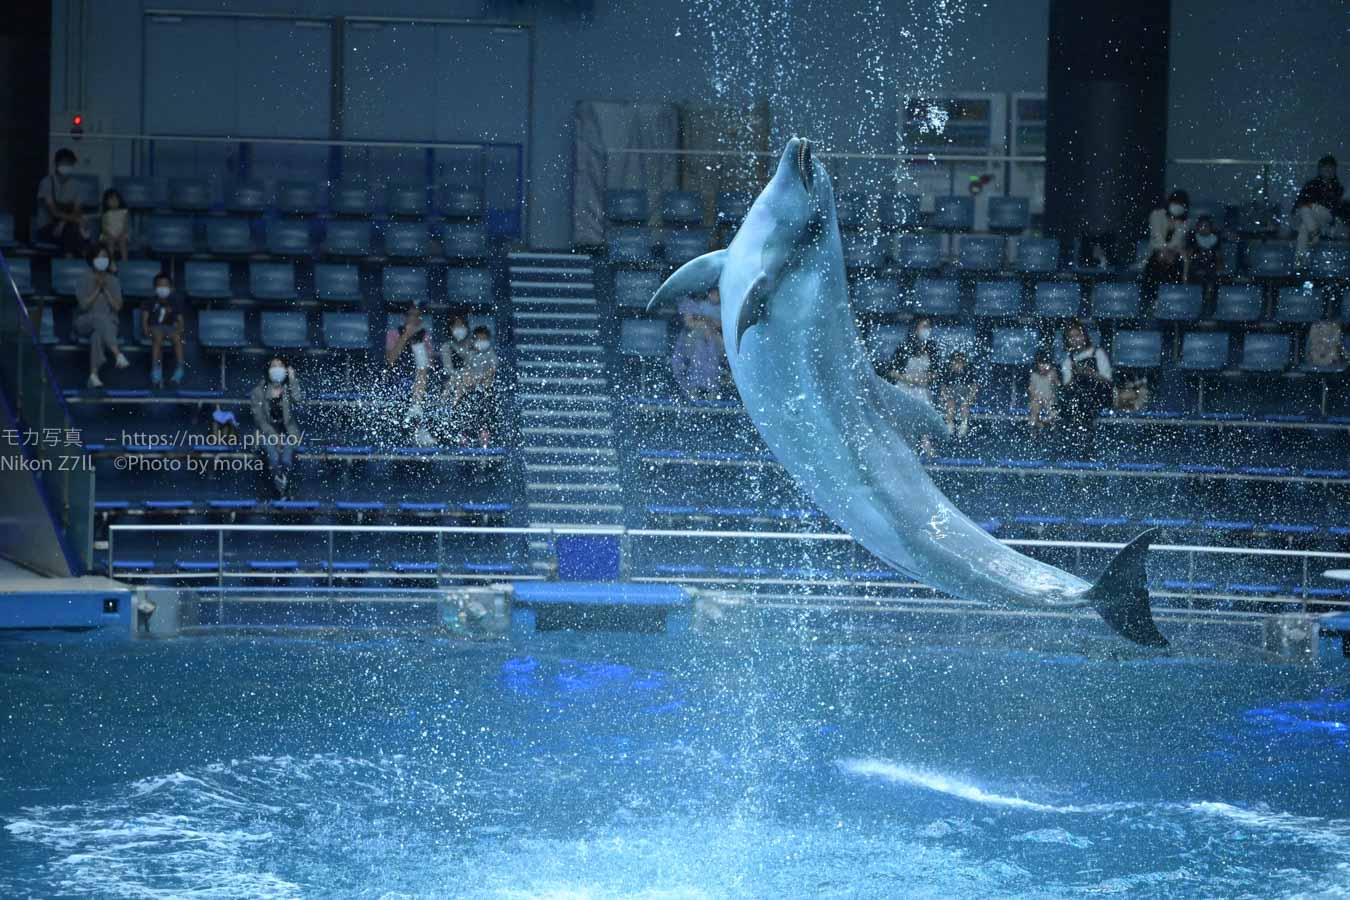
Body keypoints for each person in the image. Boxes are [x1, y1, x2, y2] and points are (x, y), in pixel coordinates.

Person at [73, 246, 128, 388]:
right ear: (92, 260)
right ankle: (117, 354)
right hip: (85, 321)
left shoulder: (114, 281)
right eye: (99, 257)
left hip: (109, 323)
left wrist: (106, 290)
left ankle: (93, 375)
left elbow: (117, 307)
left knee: (97, 335)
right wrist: (98, 289)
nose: (102, 260)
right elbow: (84, 306)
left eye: (105, 257)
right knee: (100, 318)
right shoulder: (83, 279)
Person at [1058, 320, 1113, 458]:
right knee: (1072, 402)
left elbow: (1108, 381)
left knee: (1084, 402)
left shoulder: (1097, 353)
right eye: (1072, 337)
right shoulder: (1068, 360)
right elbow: (1067, 386)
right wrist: (1076, 374)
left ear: (1085, 336)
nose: (1076, 340)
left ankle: (1085, 446)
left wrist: (1090, 373)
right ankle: (1073, 446)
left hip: (1099, 395)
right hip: (1078, 399)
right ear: (1067, 341)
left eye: (1079, 335)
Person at [249, 357, 302, 497]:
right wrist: (274, 436)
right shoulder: (258, 392)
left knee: (285, 460)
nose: (277, 369)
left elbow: (298, 400)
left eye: (280, 366)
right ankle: (282, 490)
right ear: (268, 370)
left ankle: (280, 485)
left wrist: (293, 380)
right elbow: (259, 420)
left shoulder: (288, 389)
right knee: (272, 457)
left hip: (289, 433)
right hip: (265, 433)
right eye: (274, 366)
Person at [384, 303, 435, 445]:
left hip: (419, 379)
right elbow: (391, 360)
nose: (413, 319)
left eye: (416, 316)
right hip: (398, 376)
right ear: (404, 317)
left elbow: (428, 365)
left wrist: (417, 342)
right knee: (408, 386)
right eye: (410, 315)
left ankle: (417, 413)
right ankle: (417, 426)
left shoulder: (425, 336)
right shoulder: (393, 334)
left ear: (420, 319)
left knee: (422, 373)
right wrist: (405, 335)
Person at [1294, 155, 1346, 265]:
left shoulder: (1337, 187)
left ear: (1334, 170)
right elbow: (1300, 201)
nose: (1327, 170)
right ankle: (1300, 262)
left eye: (1330, 168)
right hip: (1312, 218)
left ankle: (1314, 233)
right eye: (1325, 167)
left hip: (1326, 217)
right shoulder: (1311, 184)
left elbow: (1337, 208)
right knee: (1304, 227)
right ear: (1320, 169)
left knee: (1305, 208)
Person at [35, 148, 87, 256]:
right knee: (75, 232)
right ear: (57, 163)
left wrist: (62, 223)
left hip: (67, 227)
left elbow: (78, 211)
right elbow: (53, 212)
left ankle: (70, 258)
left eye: (70, 164)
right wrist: (69, 221)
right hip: (46, 228)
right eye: (65, 163)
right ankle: (76, 258)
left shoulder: (78, 186)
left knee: (73, 230)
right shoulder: (46, 182)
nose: (67, 166)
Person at [671, 306, 728, 400]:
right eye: (697, 320)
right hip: (692, 384)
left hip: (712, 386)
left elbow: (723, 360)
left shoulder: (717, 339)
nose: (703, 325)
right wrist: (685, 384)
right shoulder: (686, 338)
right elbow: (677, 363)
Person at [456, 325, 500, 446]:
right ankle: (464, 437)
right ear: (474, 340)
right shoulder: (470, 355)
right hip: (471, 391)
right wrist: (461, 391)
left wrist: (479, 378)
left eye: (484, 339)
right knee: (467, 412)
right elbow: (465, 371)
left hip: (486, 392)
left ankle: (484, 437)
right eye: (478, 339)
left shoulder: (490, 354)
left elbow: (493, 369)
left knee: (486, 415)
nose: (481, 342)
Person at [142, 272, 185, 387]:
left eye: (165, 285)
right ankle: (156, 370)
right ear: (155, 287)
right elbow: (145, 317)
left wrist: (180, 329)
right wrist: (145, 327)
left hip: (169, 328)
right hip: (155, 327)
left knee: (177, 338)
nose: (162, 288)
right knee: (158, 338)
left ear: (170, 288)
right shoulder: (150, 301)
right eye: (160, 285)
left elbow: (180, 319)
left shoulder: (174, 302)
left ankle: (179, 369)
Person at [1143, 189, 1190, 293]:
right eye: (1175, 203)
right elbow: (1156, 235)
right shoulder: (1156, 215)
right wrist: (1163, 251)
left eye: (1180, 204)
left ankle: (1173, 296)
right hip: (1156, 250)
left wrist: (1169, 252)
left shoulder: (1185, 222)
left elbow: (1177, 240)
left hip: (1174, 253)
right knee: (1155, 265)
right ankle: (1151, 297)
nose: (1177, 206)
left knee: (1175, 265)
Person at [938, 350, 977, 438]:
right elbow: (943, 389)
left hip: (964, 397)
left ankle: (964, 425)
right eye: (955, 363)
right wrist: (945, 398)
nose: (958, 365)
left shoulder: (968, 372)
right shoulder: (947, 373)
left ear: (964, 364)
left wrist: (969, 399)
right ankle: (949, 426)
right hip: (951, 398)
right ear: (951, 364)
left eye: (960, 363)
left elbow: (974, 389)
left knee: (964, 405)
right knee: (951, 404)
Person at [1184, 214, 1223, 298]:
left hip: (1211, 266)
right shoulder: (1192, 237)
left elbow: (1218, 256)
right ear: (1197, 227)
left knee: (1211, 273)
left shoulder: (1215, 238)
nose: (1203, 228)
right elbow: (1189, 254)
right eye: (1201, 226)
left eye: (1206, 226)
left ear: (1211, 227)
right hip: (1196, 265)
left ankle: (1209, 294)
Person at [439, 314, 472, 400]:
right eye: (457, 326)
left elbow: (474, 365)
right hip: (454, 379)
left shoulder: (472, 345)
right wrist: (461, 376)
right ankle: (454, 406)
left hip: (471, 378)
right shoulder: (446, 346)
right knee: (454, 382)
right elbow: (448, 369)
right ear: (451, 328)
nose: (460, 328)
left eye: (462, 325)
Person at [1027, 352, 1059, 430]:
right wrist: (1037, 398)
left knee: (1054, 413)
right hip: (1037, 399)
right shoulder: (1034, 375)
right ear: (1037, 365)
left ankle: (1044, 424)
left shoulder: (1052, 374)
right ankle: (1034, 426)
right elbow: (1031, 389)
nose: (1044, 366)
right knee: (1034, 407)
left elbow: (1058, 388)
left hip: (1050, 400)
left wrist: (1055, 379)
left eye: (1046, 364)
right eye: (1041, 364)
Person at [99, 188, 130, 263]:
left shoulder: (124, 212)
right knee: (110, 243)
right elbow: (103, 227)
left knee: (123, 243)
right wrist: (110, 235)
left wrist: (121, 234)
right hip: (109, 234)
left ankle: (124, 261)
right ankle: (111, 261)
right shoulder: (105, 214)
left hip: (121, 234)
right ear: (106, 202)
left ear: (119, 200)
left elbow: (126, 225)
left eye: (115, 200)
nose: (113, 202)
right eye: (111, 200)